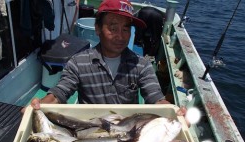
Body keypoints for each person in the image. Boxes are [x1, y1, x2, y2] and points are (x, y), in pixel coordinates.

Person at [29, 0, 176, 111]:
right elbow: (60, 93)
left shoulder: (141, 65)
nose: (120, 36)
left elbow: (155, 98)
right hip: (91, 133)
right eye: (113, 28)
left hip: (127, 134)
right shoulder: (78, 63)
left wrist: (170, 110)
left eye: (126, 29)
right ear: (98, 29)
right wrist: (40, 105)